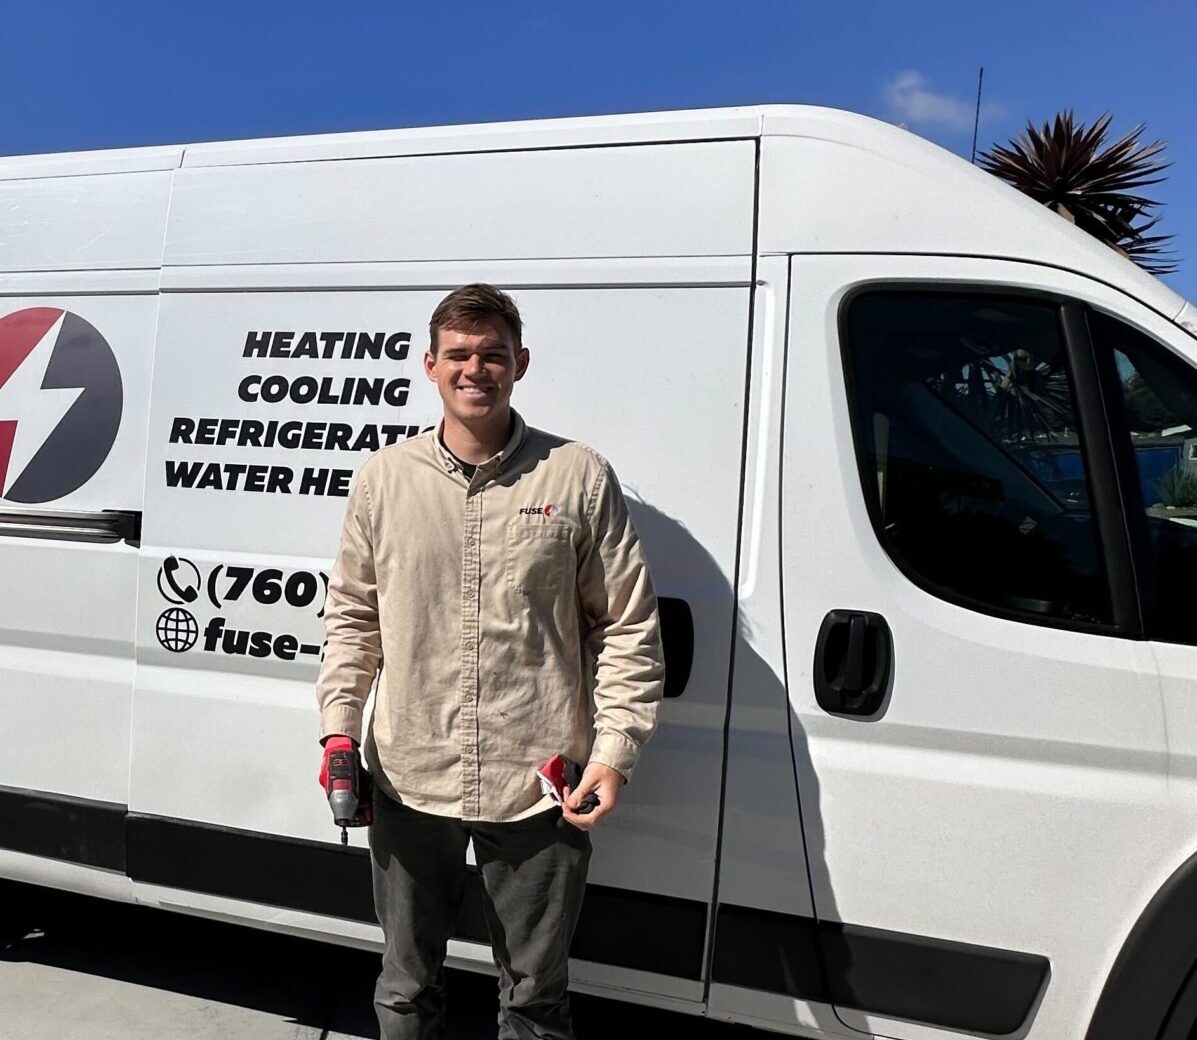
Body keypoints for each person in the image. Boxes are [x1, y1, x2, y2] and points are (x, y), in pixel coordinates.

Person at [315, 283, 665, 1040]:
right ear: (430, 366)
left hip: (539, 783)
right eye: (461, 355)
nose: (478, 369)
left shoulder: (575, 476)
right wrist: (339, 732)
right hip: (411, 775)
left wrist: (614, 752)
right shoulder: (384, 479)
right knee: (405, 988)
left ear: (520, 364)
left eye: (494, 355)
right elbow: (351, 619)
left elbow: (627, 624)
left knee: (535, 1000)